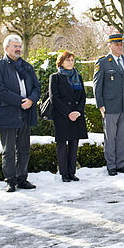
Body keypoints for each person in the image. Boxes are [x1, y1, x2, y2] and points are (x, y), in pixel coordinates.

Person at [0, 35, 41, 192]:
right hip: (8, 113)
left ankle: (22, 178)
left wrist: (31, 100)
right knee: (8, 150)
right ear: (6, 48)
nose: (18, 49)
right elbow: (0, 90)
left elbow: (37, 87)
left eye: (19, 46)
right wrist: (21, 101)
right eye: (15, 46)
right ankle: (10, 180)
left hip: (26, 112)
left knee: (24, 148)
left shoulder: (27, 67)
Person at [93, 33, 124, 176]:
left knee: (123, 136)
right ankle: (111, 165)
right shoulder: (103, 62)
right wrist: (100, 104)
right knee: (110, 137)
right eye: (116, 44)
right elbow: (97, 86)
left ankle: (120, 163)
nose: (119, 47)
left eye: (120, 44)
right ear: (110, 46)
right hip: (110, 105)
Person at [49, 51, 88, 182]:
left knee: (74, 144)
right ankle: (64, 174)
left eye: (72, 60)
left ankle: (72, 172)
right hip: (62, 116)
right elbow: (54, 98)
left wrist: (78, 112)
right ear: (60, 63)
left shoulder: (78, 77)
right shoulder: (55, 77)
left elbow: (83, 97)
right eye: (67, 60)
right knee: (61, 145)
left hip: (76, 115)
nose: (70, 62)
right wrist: (68, 113)